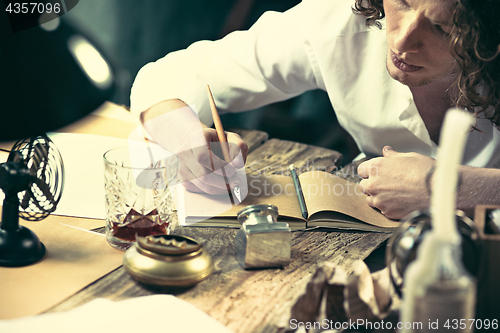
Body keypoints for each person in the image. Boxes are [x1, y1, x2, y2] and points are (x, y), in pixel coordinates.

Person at [130, 0, 500, 219]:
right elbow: (170, 75)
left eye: (440, 27)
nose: (402, 38)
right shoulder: (338, 20)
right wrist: (187, 140)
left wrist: (456, 189)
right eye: (402, 1)